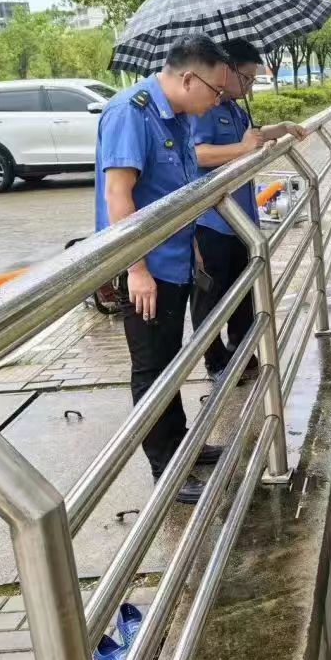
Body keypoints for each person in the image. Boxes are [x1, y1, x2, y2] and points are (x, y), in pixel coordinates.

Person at [94, 34, 230, 504]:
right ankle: (166, 471)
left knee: (171, 363)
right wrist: (136, 269)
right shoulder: (131, 112)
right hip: (145, 271)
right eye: (214, 91)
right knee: (151, 369)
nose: (215, 102)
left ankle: (183, 448)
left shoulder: (178, 117)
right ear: (188, 77)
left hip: (174, 261)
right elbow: (119, 196)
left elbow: (177, 188)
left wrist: (191, 248)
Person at [191, 39, 308, 386]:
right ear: (225, 72)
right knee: (211, 298)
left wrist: (283, 127)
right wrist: (240, 149)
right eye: (246, 78)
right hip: (213, 222)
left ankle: (241, 351)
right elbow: (198, 154)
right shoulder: (205, 109)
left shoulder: (235, 109)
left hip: (242, 221)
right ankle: (214, 362)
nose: (249, 86)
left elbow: (252, 137)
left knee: (243, 292)